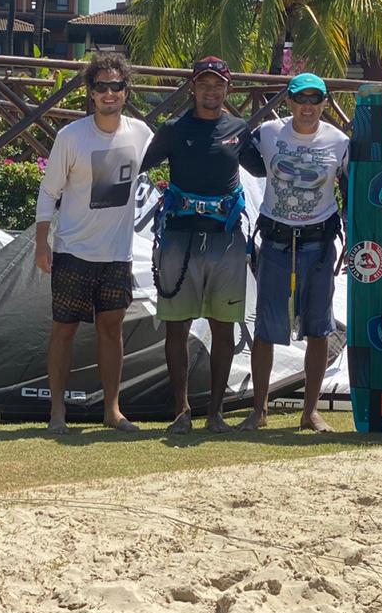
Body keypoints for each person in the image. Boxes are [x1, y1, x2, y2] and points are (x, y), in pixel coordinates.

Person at [35, 52, 152, 435]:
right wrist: (42, 243)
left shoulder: (142, 134)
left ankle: (112, 410)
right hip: (72, 251)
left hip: (116, 255)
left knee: (111, 329)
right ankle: (56, 412)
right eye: (101, 86)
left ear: (126, 91)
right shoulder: (71, 137)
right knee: (63, 329)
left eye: (116, 86)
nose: (109, 94)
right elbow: (48, 191)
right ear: (90, 92)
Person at [140, 56, 252, 434]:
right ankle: (181, 411)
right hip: (179, 240)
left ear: (228, 88)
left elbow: (270, 166)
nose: (210, 90)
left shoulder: (240, 129)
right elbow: (136, 163)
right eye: (204, 83)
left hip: (227, 241)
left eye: (217, 84)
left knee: (224, 328)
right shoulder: (173, 129)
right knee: (176, 326)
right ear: (193, 87)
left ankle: (216, 413)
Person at [238, 72, 349, 433]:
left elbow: (351, 189)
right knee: (266, 330)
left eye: (315, 99)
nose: (307, 106)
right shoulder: (268, 133)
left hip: (318, 246)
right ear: (289, 101)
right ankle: (260, 409)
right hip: (275, 243)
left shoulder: (340, 141)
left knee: (318, 329)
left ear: (324, 103)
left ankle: (310, 411)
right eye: (301, 98)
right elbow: (237, 155)